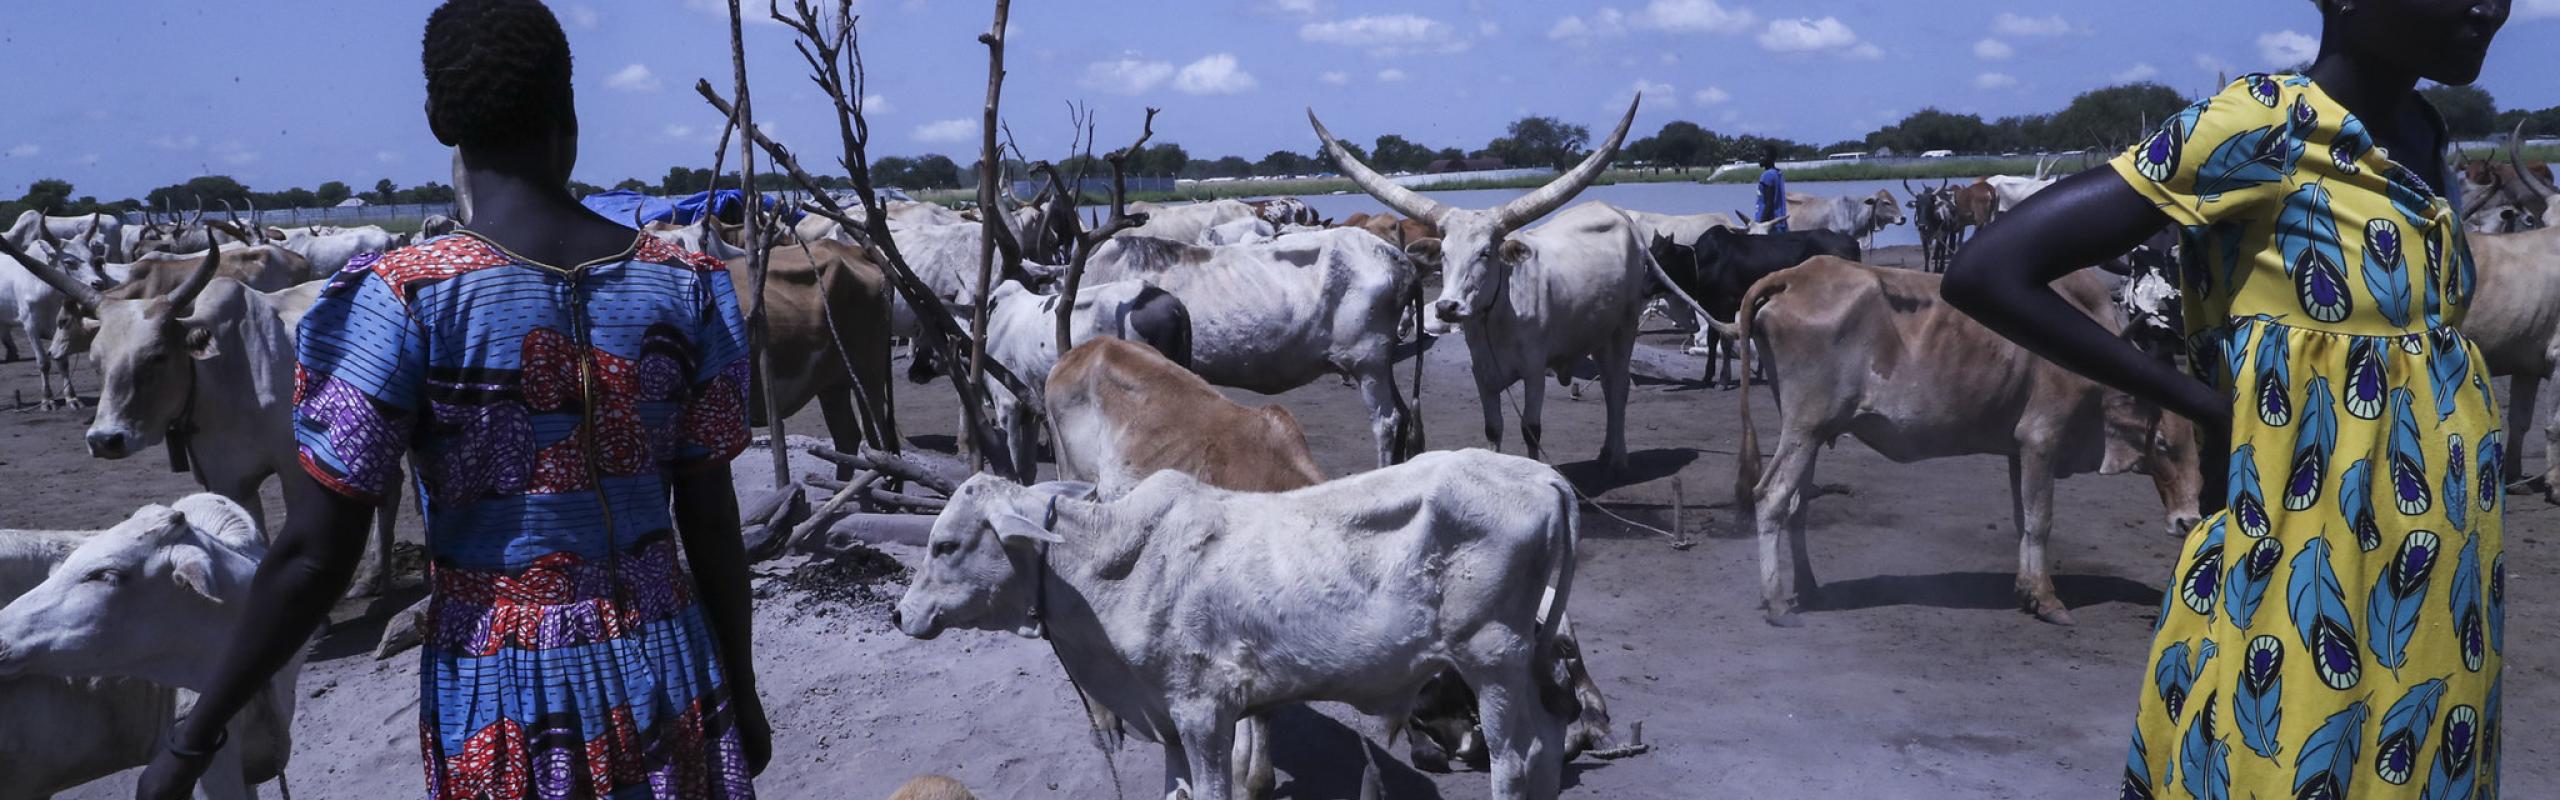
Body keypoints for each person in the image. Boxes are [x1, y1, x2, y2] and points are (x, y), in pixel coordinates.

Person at [136, 0, 771, 797]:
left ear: (439, 120)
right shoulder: (690, 287)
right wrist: (738, 687)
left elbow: (313, 556)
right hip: (673, 664)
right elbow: (709, 519)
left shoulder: (403, 300)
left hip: (504, 690)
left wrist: (195, 737)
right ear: (569, 109)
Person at [1944, 0, 2509, 796]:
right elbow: (1990, 271)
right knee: (2285, 757)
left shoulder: (2422, 132)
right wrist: (2203, 407)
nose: (2488, 7)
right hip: (2304, 549)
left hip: (2443, 567)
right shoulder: (2261, 124)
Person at [1755, 152, 1789, 233]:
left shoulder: (1767, 175)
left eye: (1763, 156)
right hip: (1779, 222)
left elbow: (1769, 203)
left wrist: (1760, 225)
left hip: (1769, 224)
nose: (1760, 158)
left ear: (1771, 158)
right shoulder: (1778, 173)